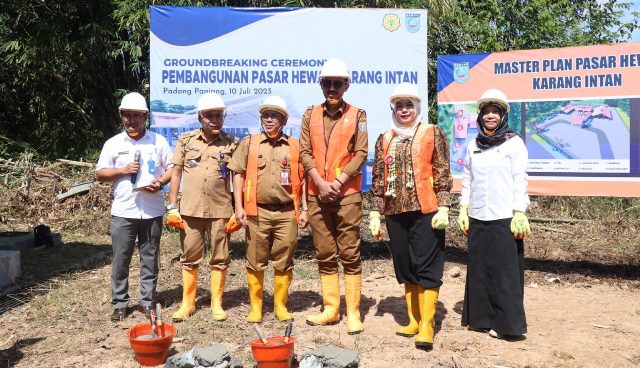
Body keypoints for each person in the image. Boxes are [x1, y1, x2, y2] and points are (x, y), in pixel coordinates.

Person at [368, 83, 453, 350]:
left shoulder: (432, 132)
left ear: (417, 108)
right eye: (399, 106)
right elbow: (379, 177)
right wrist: (374, 211)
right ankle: (414, 320)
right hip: (395, 212)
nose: (404, 110)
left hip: (425, 210)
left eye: (409, 106)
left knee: (426, 265)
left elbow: (442, 170)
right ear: (394, 109)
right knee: (405, 265)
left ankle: (427, 325)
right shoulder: (385, 138)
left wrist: (444, 206)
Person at [300, 58, 368, 335]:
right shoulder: (310, 114)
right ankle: (330, 309)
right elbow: (304, 152)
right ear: (320, 84)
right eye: (327, 83)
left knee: (349, 252)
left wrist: (338, 182)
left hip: (347, 194)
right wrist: (319, 180)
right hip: (318, 194)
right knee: (325, 252)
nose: (331, 88)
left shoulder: (358, 115)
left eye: (337, 83)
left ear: (346, 85)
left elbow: (361, 153)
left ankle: (353, 312)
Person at [456, 88, 531, 339]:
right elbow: (467, 179)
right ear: (480, 116)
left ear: (502, 116)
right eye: (486, 111)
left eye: (495, 112)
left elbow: (520, 178)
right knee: (479, 270)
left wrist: (520, 210)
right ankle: (481, 319)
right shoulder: (472, 145)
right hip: (478, 217)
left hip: (504, 217)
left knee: (504, 273)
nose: (490, 116)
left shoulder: (514, 142)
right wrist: (463, 209)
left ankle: (506, 325)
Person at [227, 96, 309, 323]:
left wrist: (304, 209)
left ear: (283, 119)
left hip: (286, 213)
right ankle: (256, 307)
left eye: (274, 116)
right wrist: (239, 206)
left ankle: (280, 306)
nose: (269, 120)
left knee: (285, 259)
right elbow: (238, 174)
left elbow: (303, 181)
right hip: (257, 212)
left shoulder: (295, 145)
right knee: (255, 259)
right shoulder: (250, 143)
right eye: (265, 115)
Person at [96, 92, 173, 322]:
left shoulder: (158, 141)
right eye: (127, 115)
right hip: (124, 211)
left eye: (137, 116)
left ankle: (147, 302)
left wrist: (160, 183)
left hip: (152, 210)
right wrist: (122, 170)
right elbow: (100, 173)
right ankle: (120, 303)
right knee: (121, 259)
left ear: (145, 117)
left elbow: (171, 169)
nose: (132, 120)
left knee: (149, 259)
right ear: (121, 117)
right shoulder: (113, 143)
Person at [167, 92, 238, 322]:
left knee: (220, 257)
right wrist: (171, 206)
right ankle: (188, 303)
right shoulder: (186, 141)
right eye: (210, 116)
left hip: (220, 210)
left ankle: (217, 303)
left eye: (219, 115)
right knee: (189, 256)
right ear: (200, 117)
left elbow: (237, 177)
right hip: (190, 210)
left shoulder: (231, 144)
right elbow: (176, 173)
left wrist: (238, 209)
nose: (215, 120)